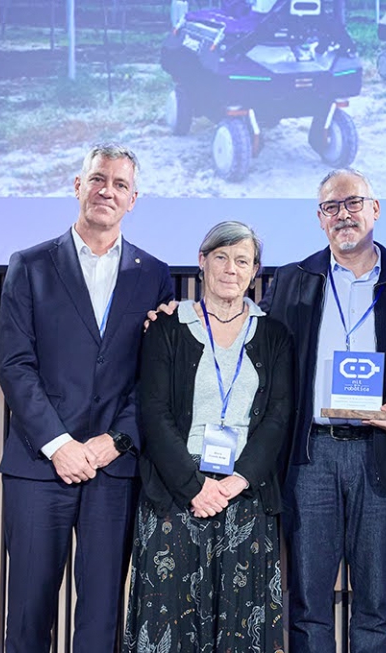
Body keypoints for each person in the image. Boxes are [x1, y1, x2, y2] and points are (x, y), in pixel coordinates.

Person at [0, 144, 173, 652]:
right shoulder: (28, 265)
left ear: (133, 199)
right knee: (28, 614)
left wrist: (114, 441)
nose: (106, 191)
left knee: (100, 620)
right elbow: (15, 364)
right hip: (39, 466)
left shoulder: (154, 273)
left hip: (114, 470)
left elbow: (154, 378)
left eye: (119, 185)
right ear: (78, 186)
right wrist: (60, 444)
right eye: (98, 179)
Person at [260, 168, 386, 653]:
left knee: (376, 606)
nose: (343, 215)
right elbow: (262, 359)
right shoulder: (294, 279)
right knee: (307, 604)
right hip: (311, 456)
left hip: (379, 455)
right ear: (320, 219)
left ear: (375, 209)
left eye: (353, 203)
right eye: (331, 208)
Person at [124, 221, 293, 652]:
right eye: (221, 257)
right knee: (168, 628)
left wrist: (237, 481)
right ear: (202, 262)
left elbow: (278, 416)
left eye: (242, 260)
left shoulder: (274, 335)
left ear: (255, 271)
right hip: (176, 496)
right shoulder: (167, 328)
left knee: (243, 630)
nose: (230, 269)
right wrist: (195, 486)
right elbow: (154, 414)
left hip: (246, 499)